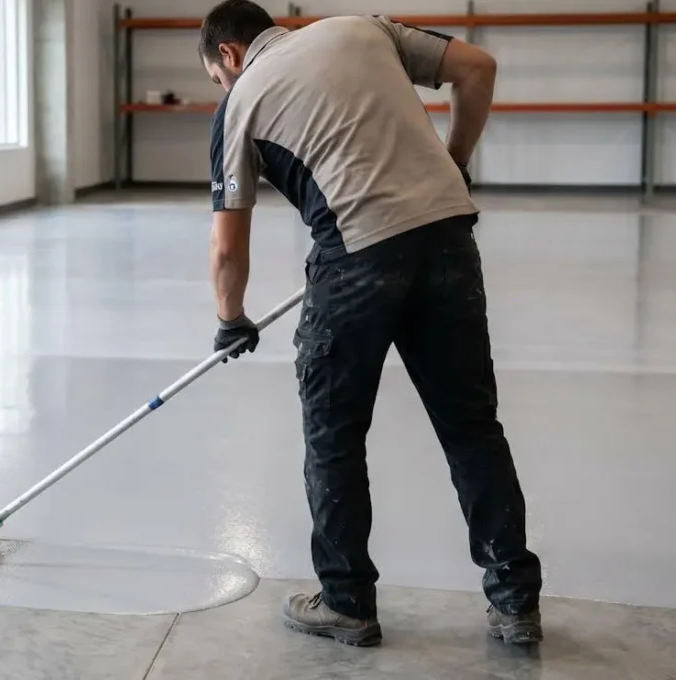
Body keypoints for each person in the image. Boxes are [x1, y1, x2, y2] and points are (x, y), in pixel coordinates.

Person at [199, 0, 544, 647]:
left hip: (355, 254)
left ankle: (347, 602)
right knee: (471, 427)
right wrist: (455, 158)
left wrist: (231, 319)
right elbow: (477, 68)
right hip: (447, 234)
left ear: (228, 56)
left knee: (333, 436)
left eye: (219, 78)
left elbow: (226, 248)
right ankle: (515, 604)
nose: (225, 89)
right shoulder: (365, 28)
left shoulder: (238, 103)